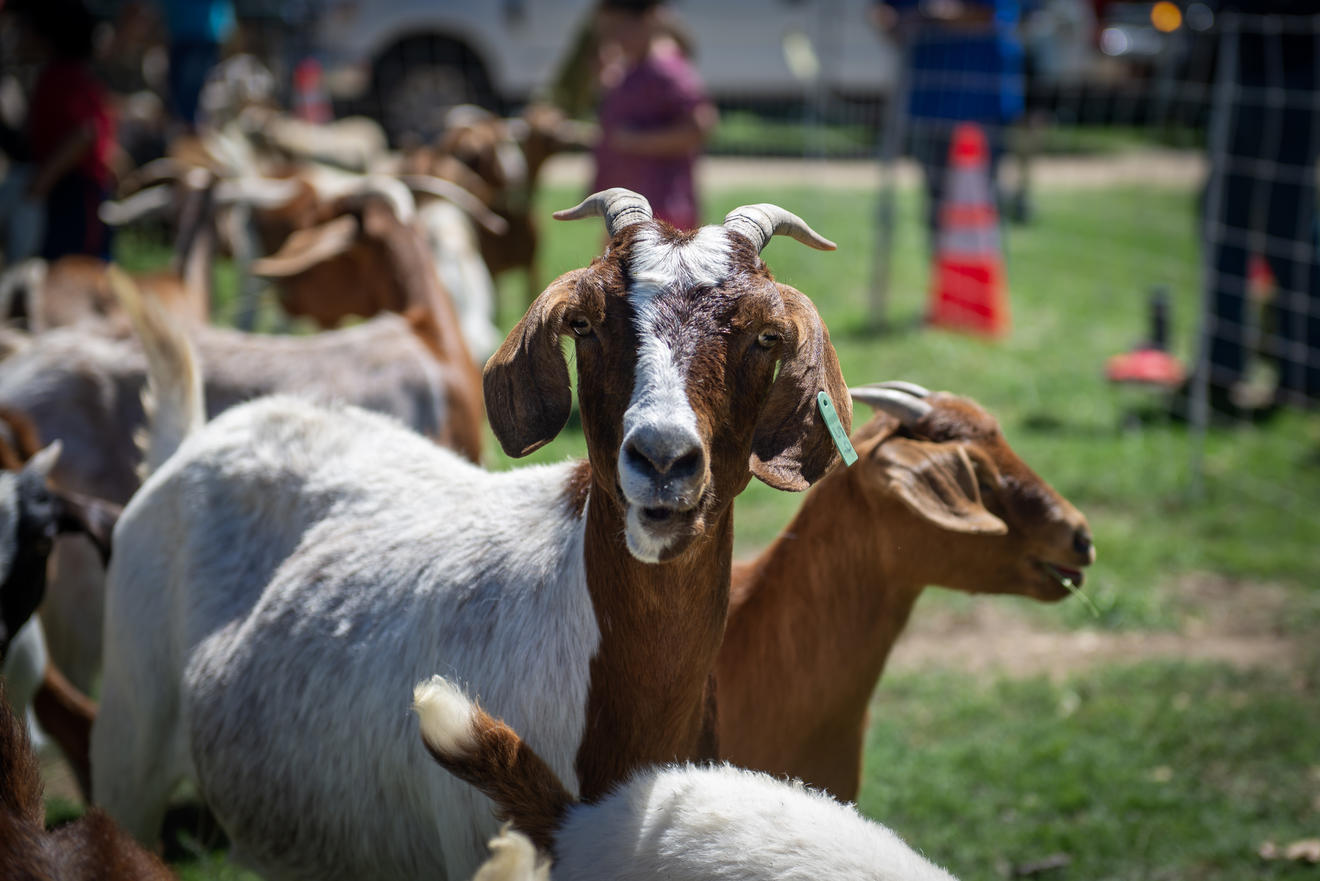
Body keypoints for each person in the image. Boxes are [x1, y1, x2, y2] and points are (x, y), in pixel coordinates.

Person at [1196, 3, 1318, 415]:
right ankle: (1230, 365)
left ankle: (1294, 369)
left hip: (1280, 71)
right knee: (1242, 226)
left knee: (1280, 231)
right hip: (1265, 67)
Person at [873, 0, 1024, 250]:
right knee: (938, 212)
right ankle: (945, 283)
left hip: (981, 105)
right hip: (929, 101)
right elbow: (885, 14)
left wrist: (929, 17)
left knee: (982, 209)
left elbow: (992, 16)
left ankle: (982, 282)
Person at [590, 0, 716, 231]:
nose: (613, 39)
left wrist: (635, 141)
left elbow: (700, 126)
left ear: (648, 21)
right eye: (608, 32)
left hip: (663, 212)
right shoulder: (629, 68)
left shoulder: (667, 70)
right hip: (630, 210)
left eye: (619, 29)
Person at [18, 0, 117, 262]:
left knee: (75, 273)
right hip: (70, 190)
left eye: (24, 28)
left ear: (45, 35)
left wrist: (39, 185)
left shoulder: (63, 78)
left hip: (76, 194)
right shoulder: (64, 76)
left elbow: (85, 134)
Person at [157, 0, 235, 131]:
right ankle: (180, 128)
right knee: (176, 84)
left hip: (204, 32)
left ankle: (191, 127)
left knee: (194, 86)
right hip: (179, 29)